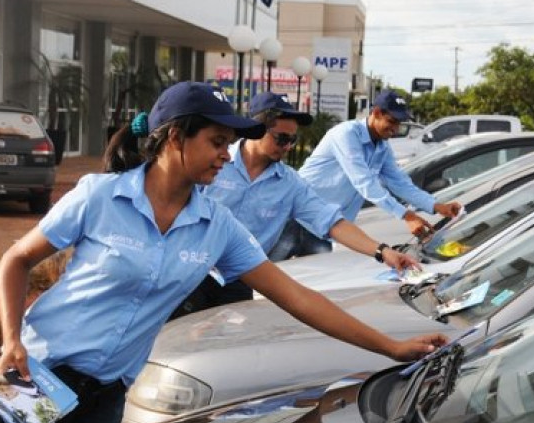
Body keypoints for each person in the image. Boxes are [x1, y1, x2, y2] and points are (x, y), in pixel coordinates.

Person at [0, 81, 448, 423]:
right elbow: (16, 260)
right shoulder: (99, 196)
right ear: (175, 137)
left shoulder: (217, 226)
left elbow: (299, 298)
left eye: (229, 145)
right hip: (38, 369)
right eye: (215, 142)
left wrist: (391, 346)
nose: (225, 156)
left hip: (105, 393)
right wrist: (11, 340)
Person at [174, 91, 421, 316]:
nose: (288, 147)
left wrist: (382, 251)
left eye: (292, 140)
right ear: (257, 128)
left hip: (238, 283)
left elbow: (332, 222)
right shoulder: (215, 162)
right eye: (281, 138)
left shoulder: (289, 183)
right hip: (186, 273)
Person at [269, 89, 463, 260]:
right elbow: (364, 182)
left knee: (310, 285)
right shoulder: (346, 134)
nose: (395, 129)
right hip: (294, 216)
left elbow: (400, 183)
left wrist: (436, 206)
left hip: (325, 226)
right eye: (392, 122)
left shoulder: (382, 147)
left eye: (399, 124)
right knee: (263, 278)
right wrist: (406, 215)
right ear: (376, 113)